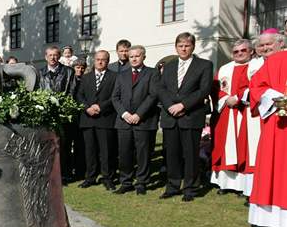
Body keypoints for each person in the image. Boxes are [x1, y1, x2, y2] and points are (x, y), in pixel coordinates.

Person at [158, 32, 213, 201]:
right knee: (172, 154)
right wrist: (170, 106)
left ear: (193, 46)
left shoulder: (204, 65)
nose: (183, 48)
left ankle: (191, 188)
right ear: (176, 47)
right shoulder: (169, 65)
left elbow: (203, 90)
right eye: (180, 46)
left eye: (187, 45)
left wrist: (183, 105)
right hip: (171, 116)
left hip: (191, 116)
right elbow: (162, 89)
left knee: (190, 155)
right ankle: (173, 186)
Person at [248, 49, 287, 227]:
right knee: (271, 170)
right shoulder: (276, 59)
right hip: (277, 126)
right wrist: (278, 98)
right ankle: (267, 221)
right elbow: (256, 85)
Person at [111, 45, 160, 194]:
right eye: (131, 56)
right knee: (124, 153)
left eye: (137, 56)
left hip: (143, 121)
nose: (133, 58)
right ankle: (126, 182)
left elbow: (153, 95)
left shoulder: (152, 73)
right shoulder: (121, 75)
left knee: (143, 153)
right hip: (124, 121)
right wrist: (125, 114)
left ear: (143, 57)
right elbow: (115, 97)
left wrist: (139, 114)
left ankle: (141, 183)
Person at [210, 39, 252, 193]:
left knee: (246, 147)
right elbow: (215, 88)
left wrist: (239, 98)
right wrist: (225, 99)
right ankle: (224, 183)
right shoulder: (224, 69)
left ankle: (244, 187)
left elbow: (257, 86)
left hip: (247, 112)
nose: (240, 53)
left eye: (243, 50)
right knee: (224, 146)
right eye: (236, 51)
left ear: (251, 51)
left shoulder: (256, 67)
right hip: (226, 113)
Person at [244, 31, 283, 197]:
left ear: (280, 43)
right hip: (268, 115)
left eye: (269, 44)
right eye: (262, 45)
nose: (265, 48)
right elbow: (254, 87)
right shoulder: (255, 64)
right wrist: (277, 99)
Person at [77, 50, 117, 190]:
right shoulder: (86, 77)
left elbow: (115, 97)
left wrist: (100, 107)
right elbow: (79, 96)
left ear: (108, 61)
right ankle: (90, 177)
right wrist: (87, 108)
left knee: (106, 151)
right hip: (88, 119)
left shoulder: (114, 77)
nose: (100, 62)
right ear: (94, 60)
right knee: (90, 150)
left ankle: (107, 177)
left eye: (103, 59)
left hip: (105, 118)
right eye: (98, 59)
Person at [39, 45, 77, 182]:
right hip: (47, 115)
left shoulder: (68, 72)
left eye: (55, 55)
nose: (53, 58)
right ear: (45, 57)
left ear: (59, 56)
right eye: (50, 55)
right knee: (48, 145)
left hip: (63, 115)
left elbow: (71, 92)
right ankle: (48, 173)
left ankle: (65, 173)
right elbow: (38, 93)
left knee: (64, 145)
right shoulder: (40, 73)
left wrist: (63, 109)